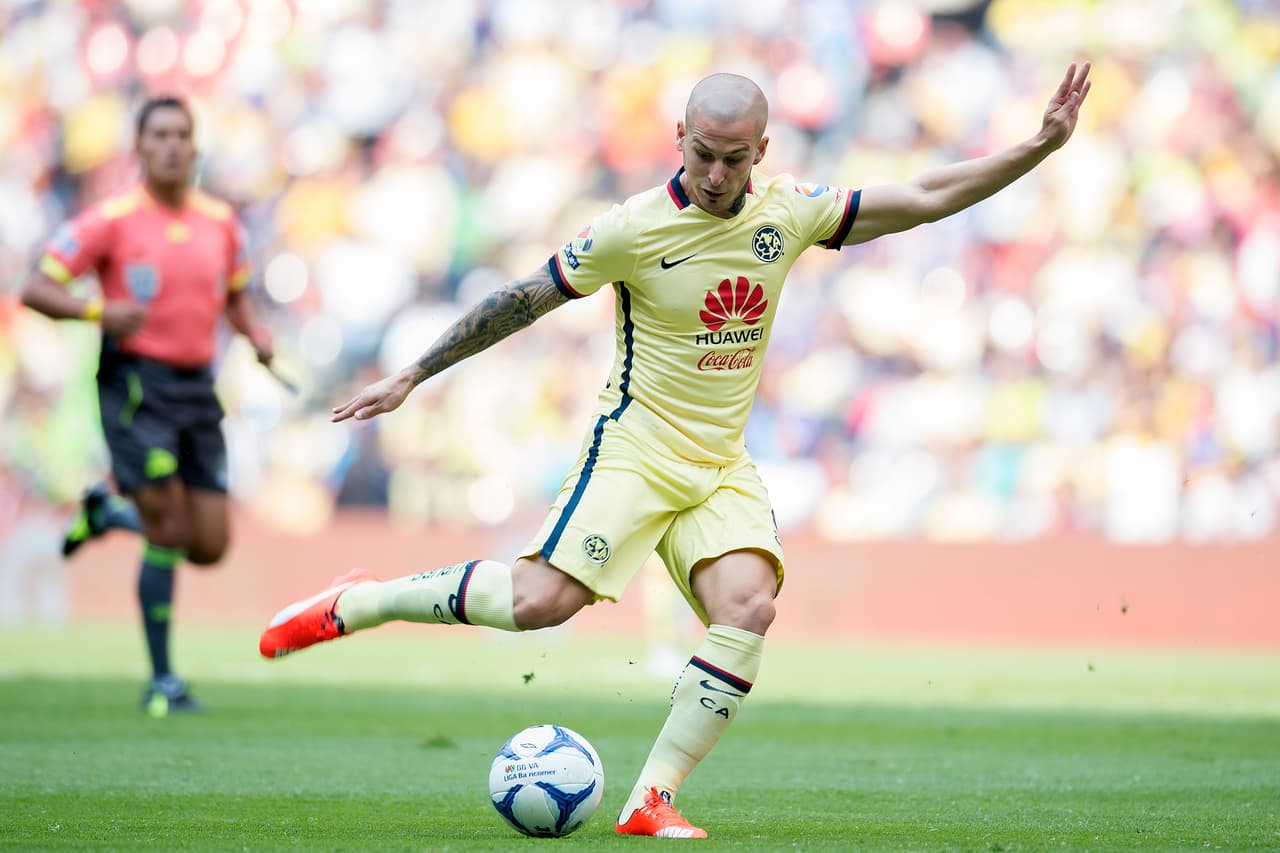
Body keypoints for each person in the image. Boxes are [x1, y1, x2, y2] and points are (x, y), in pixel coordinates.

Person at [260, 63, 1092, 837]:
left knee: (750, 607)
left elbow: (924, 196)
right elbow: (524, 299)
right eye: (703, 155)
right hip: (635, 448)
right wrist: (414, 371)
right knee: (540, 603)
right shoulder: (634, 228)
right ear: (679, 140)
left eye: (735, 159)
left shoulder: (790, 211)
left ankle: (650, 795)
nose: (718, 175)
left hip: (718, 463)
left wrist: (1037, 146)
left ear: (762, 150)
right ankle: (362, 601)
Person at [22, 95, 274, 715]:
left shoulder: (222, 222)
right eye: (158, 134)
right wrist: (96, 309)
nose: (170, 145)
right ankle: (163, 680)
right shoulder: (109, 220)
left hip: (197, 389)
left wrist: (256, 334)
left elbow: (237, 297)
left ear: (195, 147)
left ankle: (107, 515)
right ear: (138, 147)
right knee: (168, 525)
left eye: (181, 134)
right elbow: (36, 286)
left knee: (209, 545)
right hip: (137, 386)